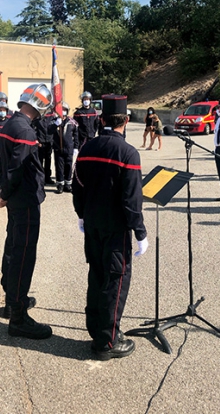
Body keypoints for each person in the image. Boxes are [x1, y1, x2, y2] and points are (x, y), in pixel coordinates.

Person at [72, 94, 147, 360]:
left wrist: (81, 215)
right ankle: (107, 341)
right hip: (116, 228)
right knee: (115, 280)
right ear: (126, 121)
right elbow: (131, 199)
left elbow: (77, 185)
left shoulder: (87, 148)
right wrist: (139, 231)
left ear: (101, 119)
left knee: (97, 275)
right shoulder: (128, 152)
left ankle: (97, 329)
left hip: (92, 224)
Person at [0, 84, 53, 339]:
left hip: (16, 200)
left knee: (12, 247)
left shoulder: (10, 124)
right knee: (23, 254)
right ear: (41, 106)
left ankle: (12, 300)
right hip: (25, 200)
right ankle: (18, 316)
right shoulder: (24, 131)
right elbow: (17, 168)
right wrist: (5, 193)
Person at [53, 102, 79, 194]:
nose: (63, 111)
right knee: (59, 167)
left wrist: (76, 147)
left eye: (64, 110)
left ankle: (68, 184)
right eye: (61, 109)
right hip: (58, 148)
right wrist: (55, 124)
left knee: (68, 166)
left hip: (69, 148)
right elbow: (48, 131)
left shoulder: (72, 122)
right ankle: (60, 184)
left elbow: (76, 136)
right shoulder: (54, 121)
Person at [34, 107, 56, 185]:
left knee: (48, 161)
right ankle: (40, 179)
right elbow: (34, 129)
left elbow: (54, 129)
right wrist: (36, 140)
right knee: (39, 162)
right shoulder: (37, 116)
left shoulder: (52, 116)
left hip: (49, 142)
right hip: (40, 142)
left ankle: (47, 178)